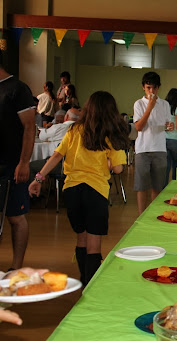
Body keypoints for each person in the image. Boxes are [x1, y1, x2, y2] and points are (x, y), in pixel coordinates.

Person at [28, 91, 129, 286]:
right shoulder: (110, 133)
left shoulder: (75, 130)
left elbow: (56, 156)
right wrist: (107, 163)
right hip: (95, 191)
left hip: (72, 190)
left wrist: (38, 179)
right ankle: (89, 287)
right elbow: (118, 169)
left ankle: (83, 280)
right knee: (94, 242)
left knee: (81, 238)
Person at [0, 61, 36, 270]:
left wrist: (24, 162)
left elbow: (29, 127)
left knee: (15, 217)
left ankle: (17, 266)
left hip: (13, 163)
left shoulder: (17, 89)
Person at [133, 72, 172, 215]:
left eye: (154, 88)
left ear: (158, 88)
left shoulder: (165, 104)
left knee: (158, 186)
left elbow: (167, 125)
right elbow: (138, 127)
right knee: (141, 186)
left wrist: (169, 127)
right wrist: (150, 106)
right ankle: (141, 216)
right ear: (143, 87)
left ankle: (154, 214)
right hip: (143, 149)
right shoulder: (139, 104)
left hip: (160, 148)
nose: (152, 91)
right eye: (148, 88)